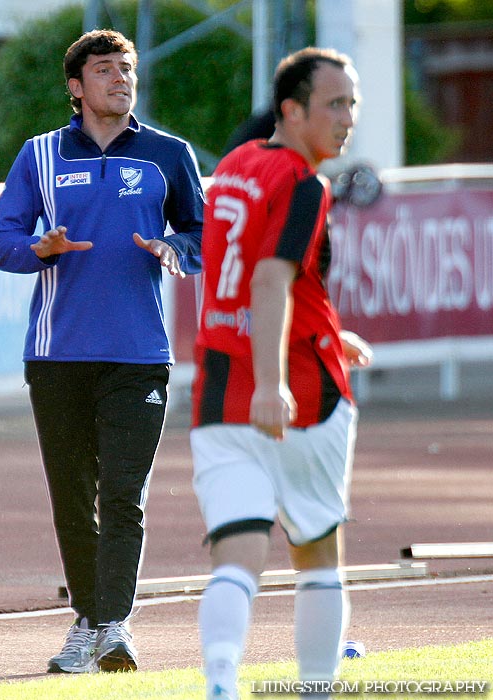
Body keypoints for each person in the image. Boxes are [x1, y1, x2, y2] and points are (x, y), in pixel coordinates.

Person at [0, 29, 204, 674]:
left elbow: (202, 232)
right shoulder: (40, 156)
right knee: (73, 496)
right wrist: (38, 250)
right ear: (76, 87)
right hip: (57, 356)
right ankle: (92, 621)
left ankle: (108, 625)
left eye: (126, 69)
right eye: (104, 70)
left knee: (124, 493)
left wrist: (176, 251)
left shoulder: (169, 153)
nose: (120, 79)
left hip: (139, 354)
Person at [190, 47, 373, 700]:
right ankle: (316, 689)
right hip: (299, 396)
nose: (347, 117)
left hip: (217, 387)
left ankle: (219, 683)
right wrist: (274, 380)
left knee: (235, 556)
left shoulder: (233, 168)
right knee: (316, 552)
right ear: (290, 111)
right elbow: (270, 278)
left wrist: (326, 330)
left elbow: (247, 277)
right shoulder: (302, 182)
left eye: (351, 103)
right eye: (334, 104)